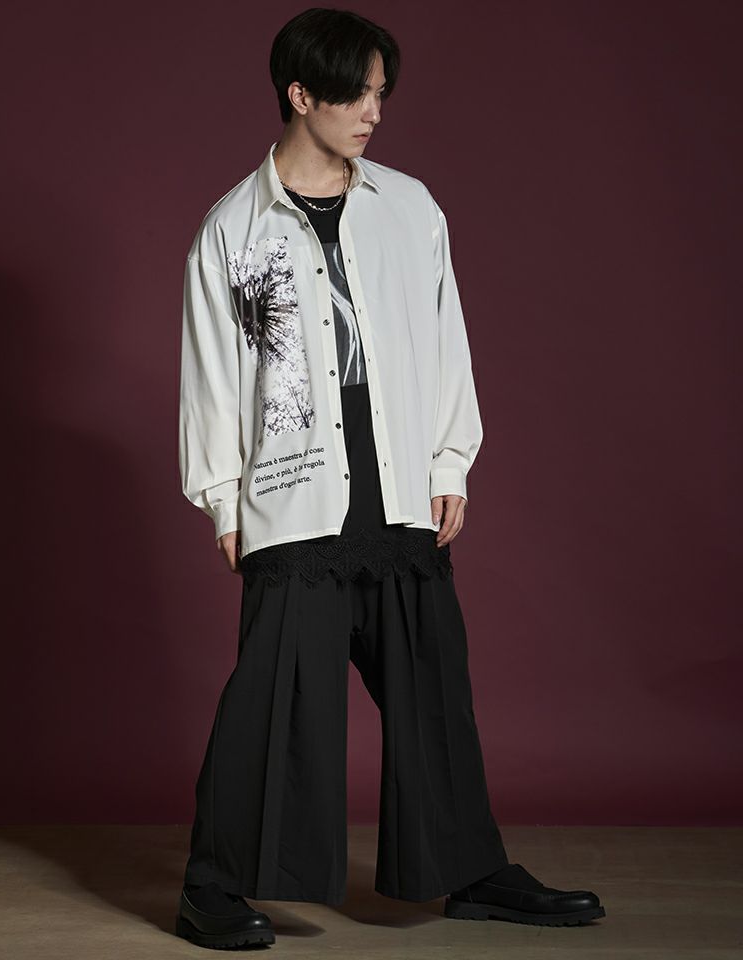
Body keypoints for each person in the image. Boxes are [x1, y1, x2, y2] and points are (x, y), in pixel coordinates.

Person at [175, 6, 605, 950]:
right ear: (302, 95)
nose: (375, 111)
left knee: (430, 678)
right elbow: (212, 374)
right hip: (294, 484)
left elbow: (447, 340)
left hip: (397, 469)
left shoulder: (410, 208)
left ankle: (472, 871)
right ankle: (212, 884)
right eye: (357, 94)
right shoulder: (232, 231)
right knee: (276, 692)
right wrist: (222, 499)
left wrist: (450, 460)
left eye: (380, 93)